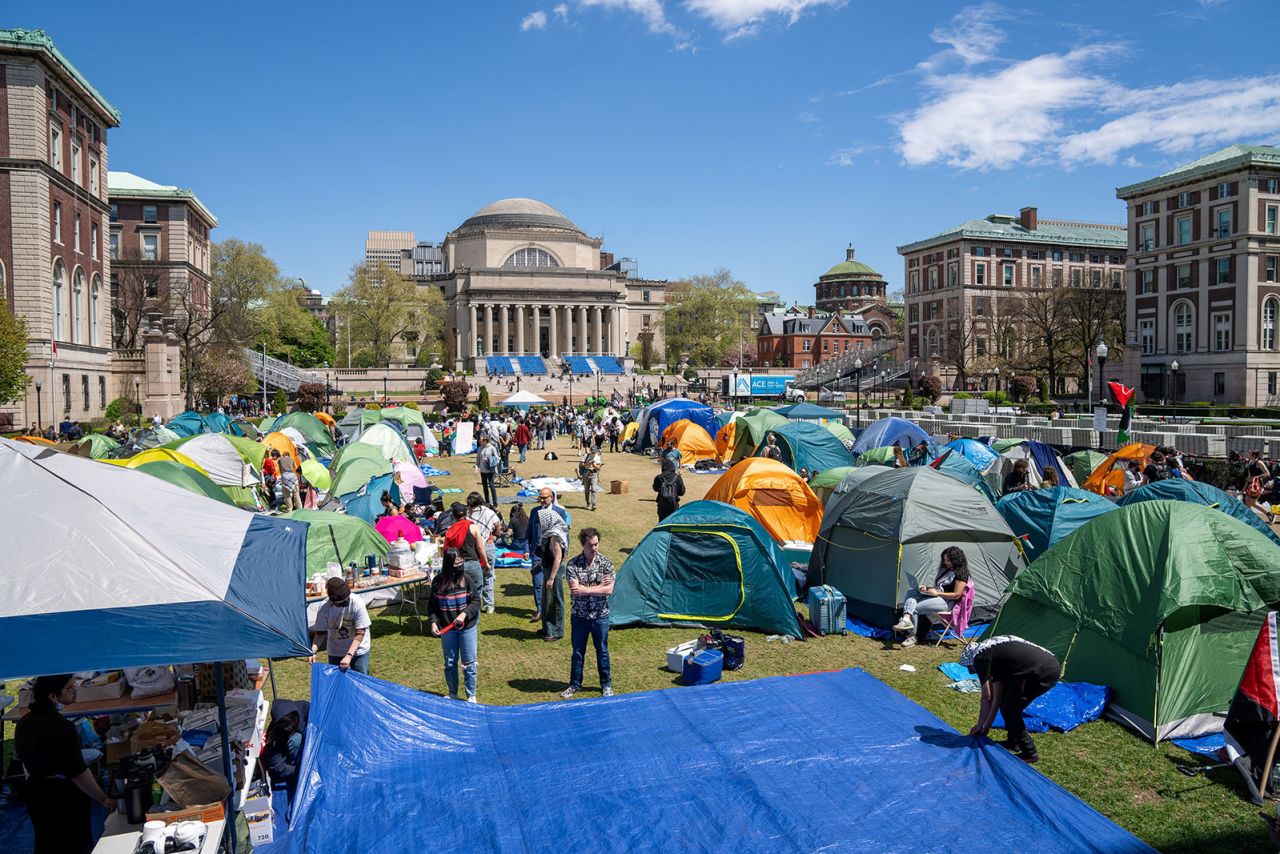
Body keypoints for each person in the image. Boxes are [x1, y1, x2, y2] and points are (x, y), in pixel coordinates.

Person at [14, 674, 114, 854]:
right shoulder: (63, 728)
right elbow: (78, 772)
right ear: (52, 697)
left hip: (35, 793)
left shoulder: (24, 723)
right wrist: (103, 799)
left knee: (46, 843)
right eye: (69, 688)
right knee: (75, 844)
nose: (75, 689)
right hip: (63, 798)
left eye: (74, 684)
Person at [964, 635, 1061, 763]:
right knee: (1008, 704)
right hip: (1040, 665)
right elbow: (996, 699)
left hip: (1043, 671)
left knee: (1010, 708)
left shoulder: (980, 658)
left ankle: (1030, 752)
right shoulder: (995, 656)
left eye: (971, 669)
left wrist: (979, 725)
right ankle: (1013, 741)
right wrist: (985, 727)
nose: (974, 672)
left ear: (972, 661)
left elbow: (987, 697)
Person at [562, 527, 616, 698]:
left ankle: (606, 685)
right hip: (580, 616)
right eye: (590, 545)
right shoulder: (572, 565)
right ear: (583, 545)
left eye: (596, 544)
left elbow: (609, 591)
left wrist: (586, 589)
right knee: (578, 652)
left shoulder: (606, 563)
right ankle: (575, 684)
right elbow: (574, 590)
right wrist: (599, 587)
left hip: (601, 616)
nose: (594, 548)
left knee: (602, 651)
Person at [428, 547, 481, 702]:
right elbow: (432, 606)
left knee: (469, 662)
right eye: (456, 562)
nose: (459, 564)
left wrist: (464, 615)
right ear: (449, 563)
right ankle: (453, 693)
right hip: (448, 629)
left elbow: (476, 601)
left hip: (467, 628)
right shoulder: (438, 582)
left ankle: (471, 695)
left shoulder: (467, 579)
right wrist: (433, 622)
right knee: (450, 662)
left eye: (460, 561)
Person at [892, 546, 971, 648]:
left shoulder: (961, 574)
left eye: (949, 560)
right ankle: (906, 619)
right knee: (911, 592)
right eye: (945, 560)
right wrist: (927, 588)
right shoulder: (946, 570)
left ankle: (912, 636)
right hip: (937, 596)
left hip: (947, 602)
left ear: (956, 559)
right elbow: (940, 587)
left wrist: (937, 593)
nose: (946, 562)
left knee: (914, 607)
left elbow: (956, 595)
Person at [527, 487, 570, 640]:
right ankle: (546, 628)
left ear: (552, 497)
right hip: (543, 559)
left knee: (555, 600)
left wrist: (552, 576)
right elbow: (530, 533)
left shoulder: (555, 531)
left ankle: (556, 631)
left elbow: (560, 551)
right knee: (546, 598)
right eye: (540, 497)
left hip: (554, 566)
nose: (542, 500)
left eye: (545, 497)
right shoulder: (536, 514)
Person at [309, 577, 372, 674]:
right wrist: (313, 651)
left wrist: (349, 655)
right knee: (337, 682)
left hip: (358, 650)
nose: (346, 602)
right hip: (336, 651)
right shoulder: (324, 608)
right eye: (342, 602)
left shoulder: (357, 603)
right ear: (333, 601)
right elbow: (321, 633)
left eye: (347, 599)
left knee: (360, 681)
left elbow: (360, 632)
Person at [443, 502, 490, 609]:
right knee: (476, 593)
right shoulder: (473, 527)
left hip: (458, 565)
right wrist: (486, 562)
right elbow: (480, 547)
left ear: (453, 516)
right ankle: (473, 619)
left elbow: (446, 550)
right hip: (473, 563)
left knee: (460, 593)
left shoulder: (450, 530)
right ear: (465, 514)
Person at [467, 492, 501, 613]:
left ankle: (475, 603)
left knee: (475, 576)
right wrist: (495, 536)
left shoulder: (468, 514)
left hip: (474, 547)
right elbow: (498, 526)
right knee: (489, 575)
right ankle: (489, 605)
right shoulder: (489, 512)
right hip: (488, 545)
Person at [476, 433, 500, 506]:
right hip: (482, 471)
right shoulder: (480, 448)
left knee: (492, 486)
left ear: (485, 440)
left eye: (481, 440)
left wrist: (489, 460)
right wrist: (476, 468)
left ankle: (495, 503)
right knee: (484, 486)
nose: (480, 442)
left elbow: (497, 459)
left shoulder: (492, 448)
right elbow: (477, 460)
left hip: (490, 470)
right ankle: (487, 502)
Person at [579, 444, 603, 511]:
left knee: (593, 489)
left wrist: (594, 464)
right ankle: (588, 503)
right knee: (586, 490)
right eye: (592, 450)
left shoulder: (598, 457)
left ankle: (594, 504)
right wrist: (588, 463)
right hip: (586, 473)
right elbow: (581, 464)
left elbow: (598, 468)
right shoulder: (586, 455)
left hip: (594, 473)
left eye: (594, 451)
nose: (593, 452)